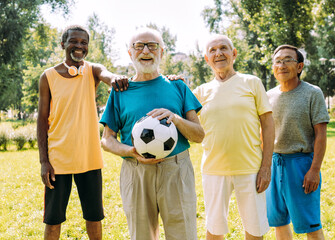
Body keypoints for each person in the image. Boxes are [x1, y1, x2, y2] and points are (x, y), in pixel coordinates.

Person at [99, 28, 204, 240]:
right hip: (136, 170)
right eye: (139, 46)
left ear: (162, 52)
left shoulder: (178, 86)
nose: (145, 50)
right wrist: (130, 151)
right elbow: (107, 139)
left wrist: (175, 118)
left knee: (183, 234)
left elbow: (199, 135)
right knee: (141, 235)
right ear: (130, 53)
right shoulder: (120, 91)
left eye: (152, 46)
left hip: (176, 169)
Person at [37, 24, 125, 240]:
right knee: (53, 219)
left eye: (83, 43)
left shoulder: (92, 70)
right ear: (63, 44)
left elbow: (106, 74)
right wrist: (44, 161)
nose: (79, 46)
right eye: (74, 42)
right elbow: (41, 120)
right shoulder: (47, 77)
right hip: (58, 160)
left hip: (89, 158)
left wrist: (115, 79)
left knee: (94, 217)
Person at [192, 35, 275, 240]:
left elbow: (268, 123)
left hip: (251, 169)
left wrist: (266, 166)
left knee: (255, 230)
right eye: (212, 50)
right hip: (213, 169)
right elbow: (178, 110)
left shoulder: (252, 83)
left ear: (234, 53)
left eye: (223, 48)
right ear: (206, 58)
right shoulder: (200, 92)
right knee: (214, 229)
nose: (218, 53)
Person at [266, 44, 329, 240]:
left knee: (310, 225)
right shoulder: (268, 96)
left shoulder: (312, 93)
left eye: (287, 60)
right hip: (273, 164)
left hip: (302, 165)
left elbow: (321, 134)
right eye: (277, 61)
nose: (281, 65)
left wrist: (314, 170)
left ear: (299, 67)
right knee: (279, 223)